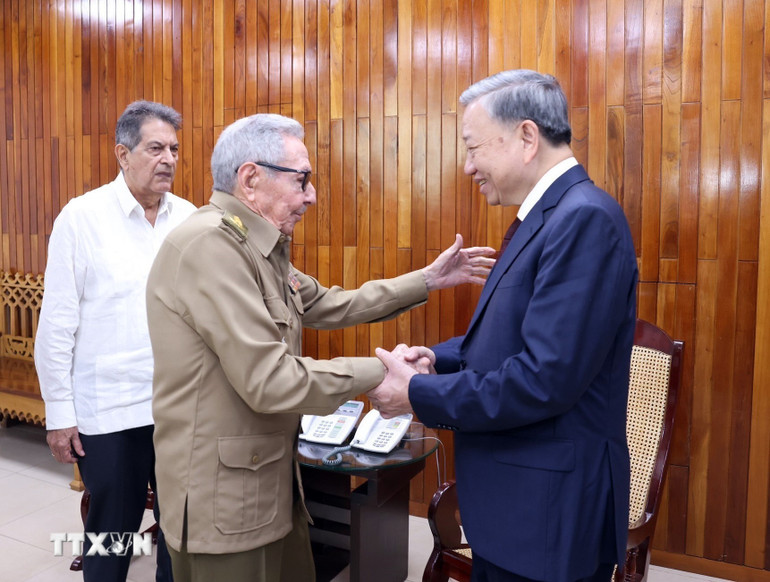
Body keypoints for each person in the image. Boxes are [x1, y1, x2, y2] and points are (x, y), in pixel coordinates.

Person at [145, 112, 495, 582]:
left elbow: (330, 303)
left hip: (267, 485)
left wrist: (427, 280)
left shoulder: (255, 243)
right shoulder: (212, 247)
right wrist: (385, 372)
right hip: (223, 499)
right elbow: (270, 381)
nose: (311, 195)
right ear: (251, 178)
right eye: (302, 179)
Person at [368, 69, 639, 582]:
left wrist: (420, 394)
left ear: (527, 136)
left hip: (547, 515)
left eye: (473, 147)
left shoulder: (584, 219)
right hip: (516, 506)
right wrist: (437, 357)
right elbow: (514, 338)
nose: (468, 166)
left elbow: (544, 380)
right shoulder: (548, 216)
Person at [35, 100, 197, 582]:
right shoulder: (81, 219)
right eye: (155, 148)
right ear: (122, 155)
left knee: (181, 534)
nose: (168, 158)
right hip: (108, 411)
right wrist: (60, 414)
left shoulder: (188, 218)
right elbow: (57, 324)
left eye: (173, 149)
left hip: (176, 408)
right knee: (111, 538)